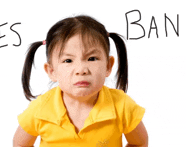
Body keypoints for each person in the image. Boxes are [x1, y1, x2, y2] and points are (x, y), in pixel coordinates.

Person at [13, 15, 148, 147]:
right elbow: (20, 143)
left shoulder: (122, 106)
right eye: (68, 60)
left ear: (108, 66)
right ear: (51, 71)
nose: (81, 70)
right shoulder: (40, 109)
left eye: (92, 58)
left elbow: (139, 142)